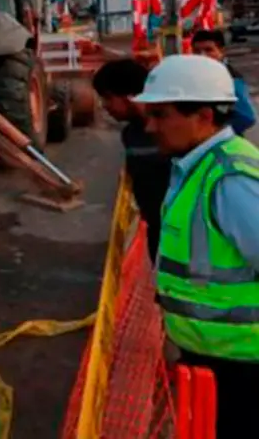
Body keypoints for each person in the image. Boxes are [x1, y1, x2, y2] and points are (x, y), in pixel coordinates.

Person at [133, 54, 259, 438]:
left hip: (242, 366)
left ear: (203, 116)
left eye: (161, 115)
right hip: (214, 357)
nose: (150, 127)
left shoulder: (229, 178)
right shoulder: (197, 165)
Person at [92, 59, 170, 261]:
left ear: (129, 97)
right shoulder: (130, 134)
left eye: (108, 98)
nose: (104, 106)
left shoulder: (174, 133)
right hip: (155, 230)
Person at [190, 29, 256, 135]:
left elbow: (246, 117)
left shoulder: (231, 79)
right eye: (197, 51)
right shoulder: (199, 74)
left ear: (221, 51)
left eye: (209, 50)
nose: (202, 55)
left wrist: (214, 133)